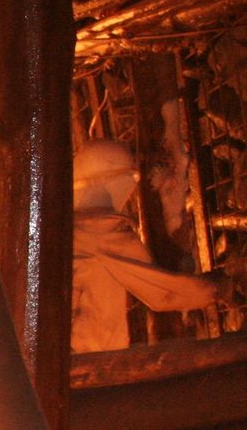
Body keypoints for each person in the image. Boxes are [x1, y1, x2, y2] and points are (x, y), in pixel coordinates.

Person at [71, 138, 229, 354]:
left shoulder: (69, 232)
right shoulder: (102, 231)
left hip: (65, 360)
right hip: (90, 358)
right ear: (118, 180)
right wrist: (216, 289)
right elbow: (162, 293)